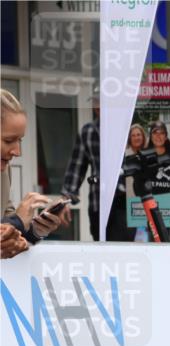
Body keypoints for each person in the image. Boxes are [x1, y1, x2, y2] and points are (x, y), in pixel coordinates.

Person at [62, 96, 132, 241]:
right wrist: (66, 198)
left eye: (102, 102)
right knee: (101, 249)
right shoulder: (87, 131)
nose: (98, 106)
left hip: (126, 199)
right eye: (95, 102)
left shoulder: (127, 129)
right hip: (97, 200)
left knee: (124, 250)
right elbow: (77, 166)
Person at [1, 88, 63, 247]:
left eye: (19, 140)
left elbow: (6, 230)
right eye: (8, 140)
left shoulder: (4, 171)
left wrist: (35, 230)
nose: (17, 151)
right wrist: (17, 220)